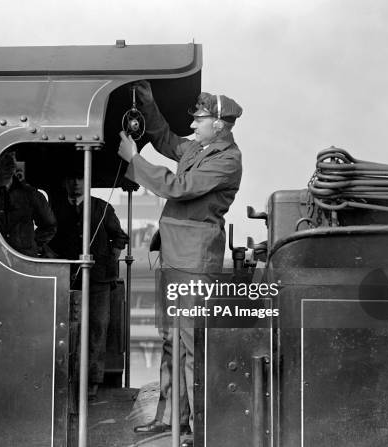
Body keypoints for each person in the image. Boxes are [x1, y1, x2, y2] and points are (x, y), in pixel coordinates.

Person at [118, 81, 243, 444]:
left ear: (218, 124)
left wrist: (134, 160)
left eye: (200, 119)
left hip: (194, 261)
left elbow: (179, 187)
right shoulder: (198, 148)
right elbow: (164, 137)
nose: (194, 126)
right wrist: (147, 102)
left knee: (192, 345)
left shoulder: (226, 159)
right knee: (172, 340)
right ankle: (171, 419)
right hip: (176, 255)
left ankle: (200, 429)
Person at [48, 168, 129, 397]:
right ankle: (66, 382)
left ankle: (92, 381)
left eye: (80, 178)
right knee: (66, 331)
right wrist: (52, 258)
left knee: (97, 328)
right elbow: (44, 235)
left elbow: (120, 237)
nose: (75, 183)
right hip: (65, 279)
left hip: (99, 281)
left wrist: (109, 259)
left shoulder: (102, 207)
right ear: (65, 182)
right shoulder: (55, 209)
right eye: (72, 178)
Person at [0, 152, 57, 257]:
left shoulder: (31, 194)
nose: (6, 162)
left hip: (24, 257)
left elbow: (49, 225)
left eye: (10, 156)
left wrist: (30, 244)